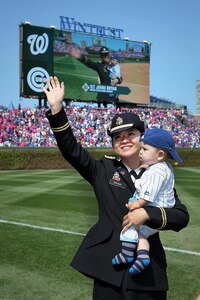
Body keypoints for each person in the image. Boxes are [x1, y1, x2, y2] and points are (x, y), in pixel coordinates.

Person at [42, 76, 189, 300]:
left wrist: (146, 213)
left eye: (131, 134)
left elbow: (180, 216)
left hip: (148, 276)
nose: (125, 140)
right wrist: (57, 109)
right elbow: (71, 150)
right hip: (108, 272)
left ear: (143, 138)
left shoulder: (159, 174)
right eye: (118, 136)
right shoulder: (103, 169)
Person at [112, 128, 183, 276]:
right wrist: (148, 167)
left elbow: (148, 193)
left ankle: (127, 254)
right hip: (162, 207)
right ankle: (143, 256)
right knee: (142, 234)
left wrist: (137, 205)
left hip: (156, 207)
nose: (141, 152)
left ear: (160, 155)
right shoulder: (162, 167)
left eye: (145, 149)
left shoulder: (155, 172)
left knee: (131, 228)